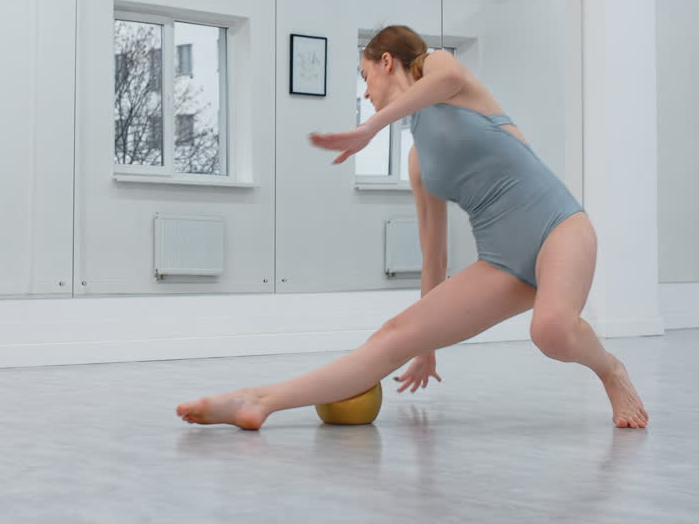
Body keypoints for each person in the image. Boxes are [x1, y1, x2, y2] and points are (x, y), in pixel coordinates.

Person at [177, 25, 647, 429]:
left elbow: (439, 83)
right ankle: (260, 400)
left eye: (365, 77)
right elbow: (434, 254)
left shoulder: (444, 70)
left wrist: (370, 127)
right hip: (503, 264)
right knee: (393, 336)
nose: (365, 91)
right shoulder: (418, 159)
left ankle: (611, 371)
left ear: (387, 62)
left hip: (558, 227)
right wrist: (427, 343)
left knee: (551, 331)